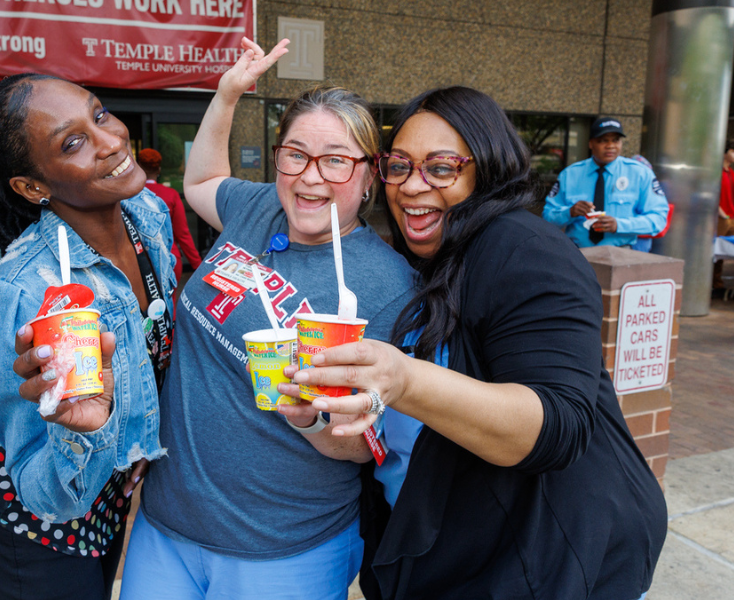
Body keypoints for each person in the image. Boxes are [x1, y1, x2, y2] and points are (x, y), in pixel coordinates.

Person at [284, 87, 667, 599]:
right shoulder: (431, 256)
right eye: (399, 166)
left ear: (485, 168)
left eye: (440, 168)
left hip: (548, 567)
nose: (411, 186)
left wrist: (403, 379)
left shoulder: (526, 250)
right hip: (451, 559)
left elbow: (558, 424)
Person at [119, 38, 417, 600]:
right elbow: (201, 182)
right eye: (295, 154)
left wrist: (311, 420)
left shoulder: (388, 286)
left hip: (285, 545)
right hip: (167, 522)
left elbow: (370, 444)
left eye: (336, 159)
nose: (310, 178)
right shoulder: (259, 208)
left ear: (369, 174)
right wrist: (227, 95)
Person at [0, 73, 176, 600]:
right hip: (27, 508)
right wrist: (88, 432)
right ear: (32, 186)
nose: (112, 140)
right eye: (73, 143)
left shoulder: (148, 216)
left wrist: (137, 428)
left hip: (106, 491)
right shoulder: (25, 287)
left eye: (99, 115)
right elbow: (42, 488)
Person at [542, 117, 668, 249]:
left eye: (616, 140)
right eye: (603, 140)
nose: (610, 146)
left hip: (622, 256)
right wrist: (570, 212)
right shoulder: (570, 175)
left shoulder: (640, 173)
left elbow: (659, 220)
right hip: (578, 254)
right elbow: (547, 219)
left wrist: (619, 225)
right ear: (591, 144)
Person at [136, 148, 202, 283]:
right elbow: (183, 234)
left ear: (139, 167)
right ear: (159, 170)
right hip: (169, 258)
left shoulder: (130, 195)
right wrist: (198, 265)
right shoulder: (171, 194)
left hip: (139, 261)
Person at [714, 140, 734, 291]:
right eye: (733, 151)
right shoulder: (716, 172)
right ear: (725, 152)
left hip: (731, 217)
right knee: (715, 252)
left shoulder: (731, 173)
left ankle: (718, 284)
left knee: (727, 253)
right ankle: (714, 284)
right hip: (721, 218)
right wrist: (722, 213)